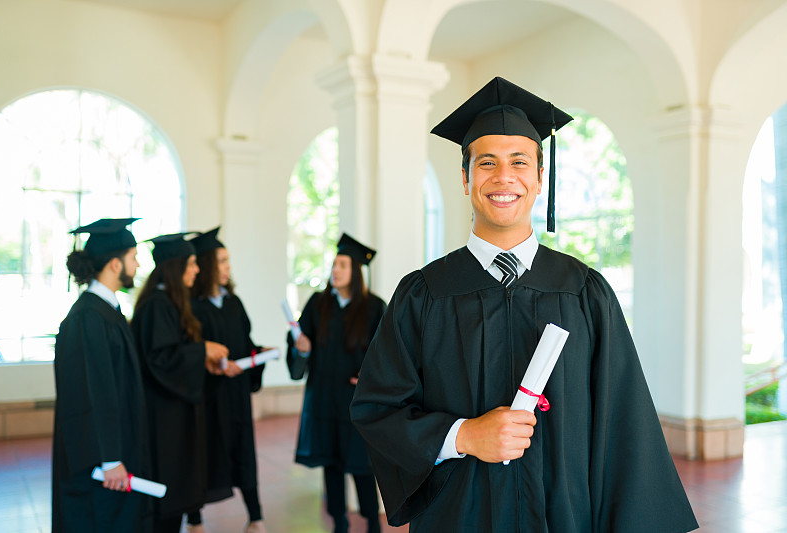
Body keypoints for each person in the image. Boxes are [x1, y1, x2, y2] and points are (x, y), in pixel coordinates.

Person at [350, 77, 699, 532]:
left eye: (520, 162)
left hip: (566, 517)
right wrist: (462, 436)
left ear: (538, 178)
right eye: (487, 162)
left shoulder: (584, 292)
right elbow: (377, 409)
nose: (503, 177)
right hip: (459, 516)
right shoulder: (424, 294)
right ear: (465, 177)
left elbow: (624, 427)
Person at [52, 218, 151, 533]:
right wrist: (109, 458)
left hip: (115, 450)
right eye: (133, 257)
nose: (137, 265)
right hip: (98, 462)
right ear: (114, 263)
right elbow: (91, 395)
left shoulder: (106, 311)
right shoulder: (88, 319)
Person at [287, 234, 386, 533]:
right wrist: (300, 349)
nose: (335, 270)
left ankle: (372, 522)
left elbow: (387, 353)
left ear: (355, 271)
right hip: (325, 398)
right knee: (331, 464)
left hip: (356, 401)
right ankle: (339, 522)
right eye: (334, 264)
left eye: (342, 265)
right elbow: (300, 345)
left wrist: (370, 378)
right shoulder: (318, 304)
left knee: (362, 465)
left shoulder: (374, 307)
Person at [131, 232, 229, 533]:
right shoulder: (157, 305)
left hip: (176, 415)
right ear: (174, 268)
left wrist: (202, 360)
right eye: (190, 264)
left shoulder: (169, 303)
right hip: (164, 420)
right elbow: (160, 359)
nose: (197, 270)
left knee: (177, 495)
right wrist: (203, 349)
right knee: (167, 499)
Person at [186, 227, 269, 533]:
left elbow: (245, 343)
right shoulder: (191, 308)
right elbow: (189, 353)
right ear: (207, 265)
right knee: (202, 454)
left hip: (235, 394)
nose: (227, 267)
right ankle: (194, 520)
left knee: (243, 452)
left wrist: (259, 354)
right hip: (207, 397)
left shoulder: (234, 303)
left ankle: (256, 517)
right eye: (221, 261)